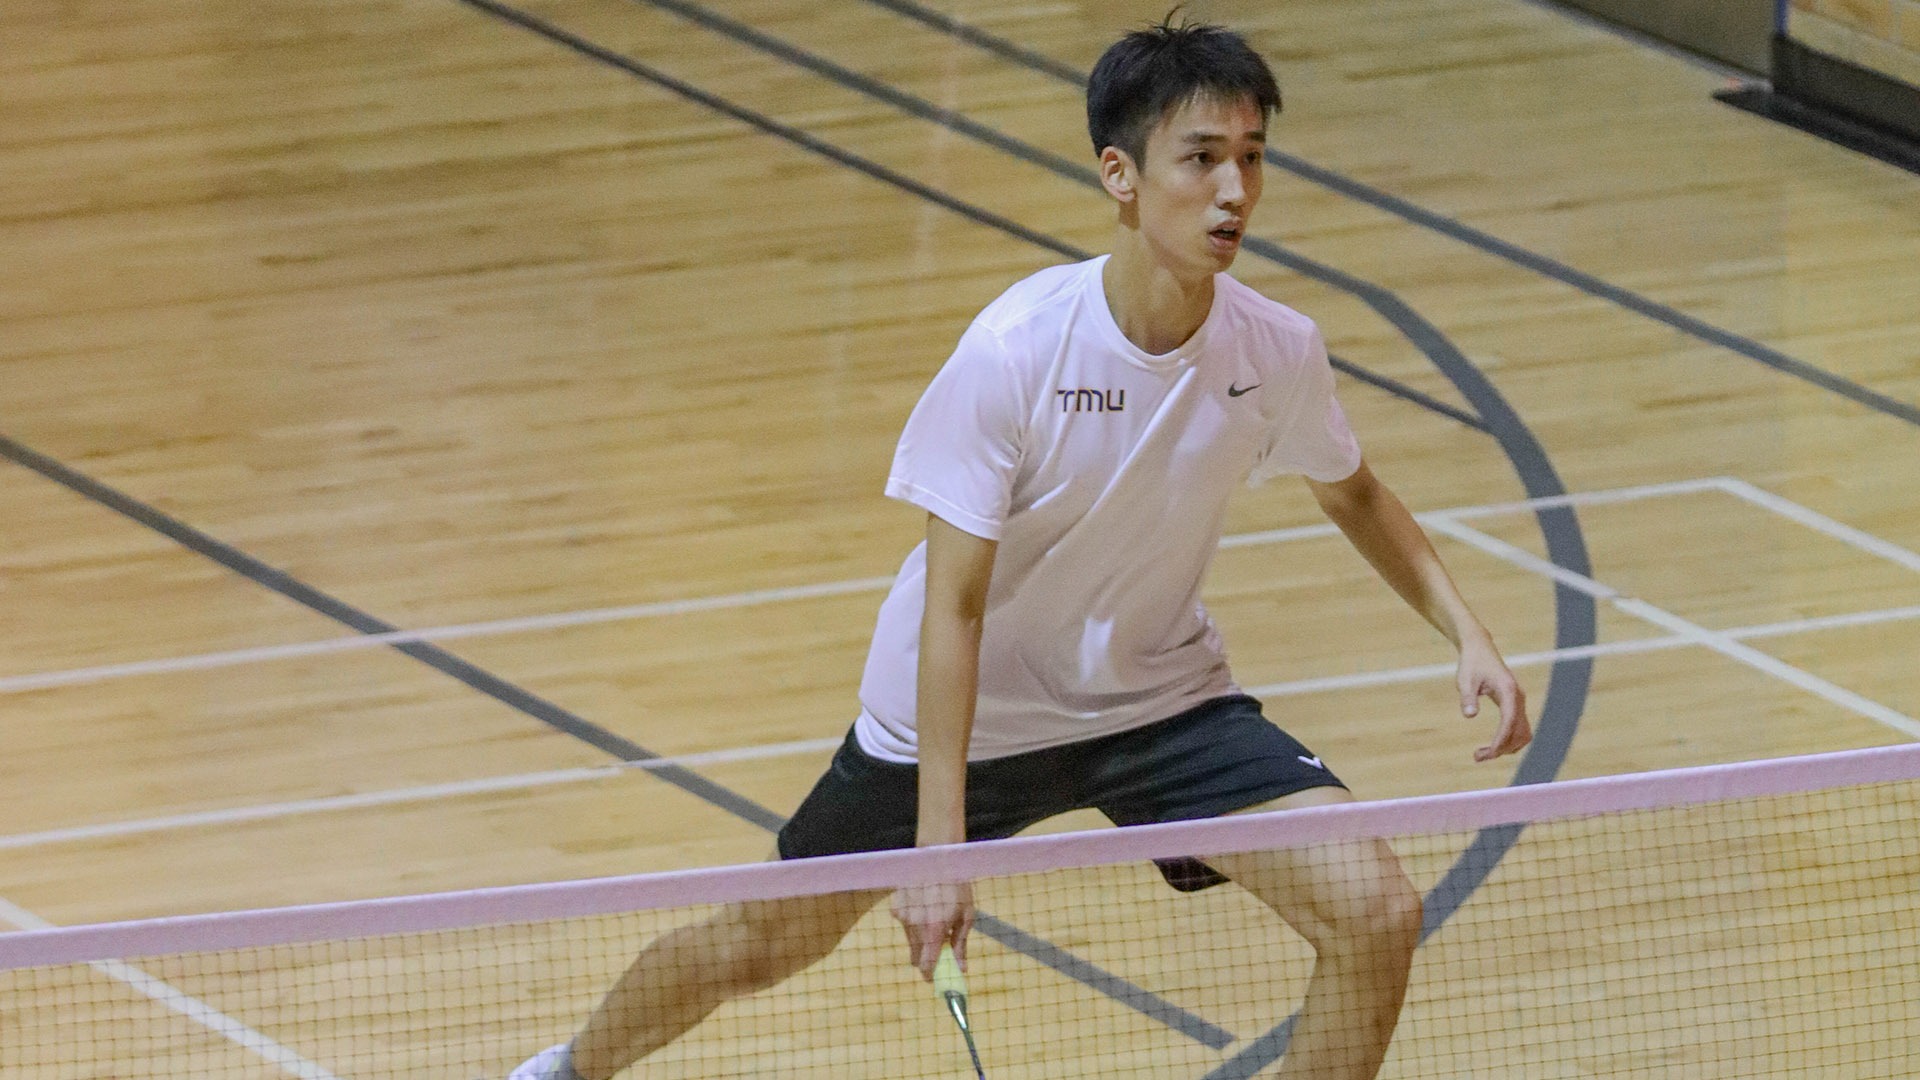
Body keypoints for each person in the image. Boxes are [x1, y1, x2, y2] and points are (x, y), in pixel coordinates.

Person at [512, 16, 1529, 1080]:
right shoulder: (1016, 352)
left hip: (1158, 701)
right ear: (1120, 175)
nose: (1233, 191)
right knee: (760, 944)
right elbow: (953, 607)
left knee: (1377, 914)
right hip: (966, 718)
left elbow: (1354, 491)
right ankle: (569, 1070)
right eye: (1201, 160)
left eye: (1251, 159)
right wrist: (942, 852)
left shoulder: (1274, 349)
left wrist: (1469, 634)